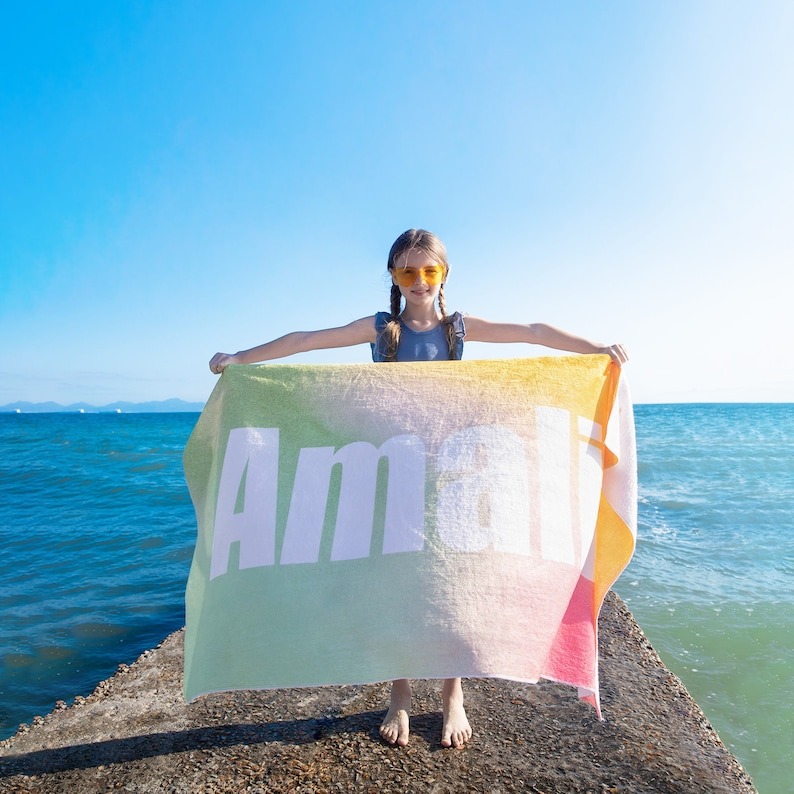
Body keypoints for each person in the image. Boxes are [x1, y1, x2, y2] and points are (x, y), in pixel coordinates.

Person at [209, 228, 628, 750]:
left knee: (451, 580)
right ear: (393, 276)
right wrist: (241, 360)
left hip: (447, 470)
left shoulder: (458, 329)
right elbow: (303, 341)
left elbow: (533, 330)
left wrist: (595, 349)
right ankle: (400, 692)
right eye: (407, 272)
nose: (419, 282)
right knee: (396, 579)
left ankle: (453, 694)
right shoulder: (381, 328)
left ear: (444, 274)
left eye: (429, 271)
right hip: (391, 467)